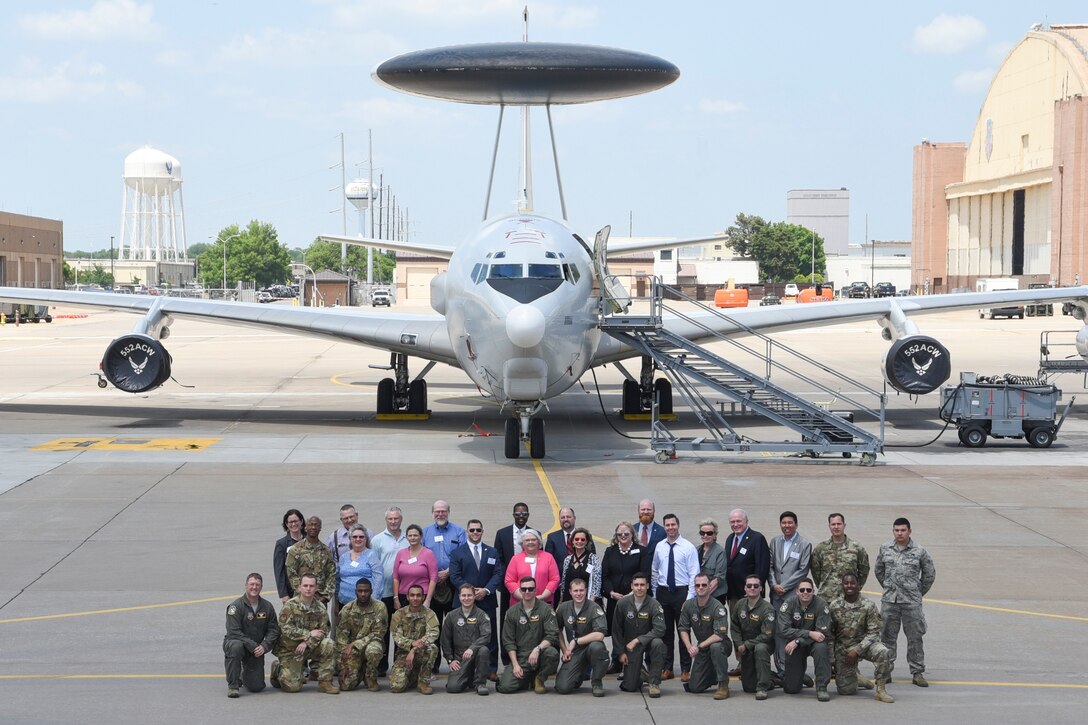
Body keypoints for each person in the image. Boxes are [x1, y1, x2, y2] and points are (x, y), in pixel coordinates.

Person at [875, 517, 936, 688]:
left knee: (915, 637)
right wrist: (889, 587)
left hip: (911, 602)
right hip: (890, 601)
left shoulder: (919, 551)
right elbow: (879, 570)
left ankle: (917, 672)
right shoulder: (885, 548)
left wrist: (917, 592)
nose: (899, 533)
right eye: (896, 530)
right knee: (886, 637)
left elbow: (929, 574)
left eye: (902, 530)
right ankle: (886, 672)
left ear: (909, 531)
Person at [449, 518, 503, 678]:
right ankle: (464, 666)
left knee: (490, 635)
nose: (475, 533)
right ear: (467, 532)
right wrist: (471, 593)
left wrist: (486, 590)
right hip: (465, 601)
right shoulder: (457, 553)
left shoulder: (492, 552)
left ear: (482, 532)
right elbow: (455, 576)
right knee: (463, 634)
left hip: (487, 599)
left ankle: (491, 669)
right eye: (472, 530)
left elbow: (498, 573)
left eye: (478, 530)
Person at [830, 573, 894, 703]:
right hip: (844, 649)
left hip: (865, 645)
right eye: (846, 583)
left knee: (882, 651)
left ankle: (881, 690)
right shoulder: (834, 606)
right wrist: (832, 658)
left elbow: (874, 632)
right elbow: (830, 635)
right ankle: (857, 677)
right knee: (846, 691)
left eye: (852, 583)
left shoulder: (868, 605)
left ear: (858, 586)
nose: (849, 586)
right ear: (841, 585)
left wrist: (857, 650)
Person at [650, 513, 699, 681]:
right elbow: (655, 571)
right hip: (663, 592)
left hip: (682, 593)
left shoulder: (688, 547)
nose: (670, 528)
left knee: (683, 630)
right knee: (665, 633)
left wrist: (690, 597)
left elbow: (694, 574)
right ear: (664, 527)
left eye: (673, 525)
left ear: (678, 526)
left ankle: (686, 669)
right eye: (667, 525)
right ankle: (667, 667)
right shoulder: (660, 546)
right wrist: (656, 592)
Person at [271, 573, 339, 694]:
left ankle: (325, 682)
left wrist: (307, 642)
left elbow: (323, 631)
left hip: (309, 646)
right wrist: (308, 634)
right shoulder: (290, 606)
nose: (308, 588)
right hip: (290, 649)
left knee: (328, 644)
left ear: (316, 588)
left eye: (311, 586)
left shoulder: (320, 608)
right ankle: (278, 669)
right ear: (299, 588)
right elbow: (285, 629)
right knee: (292, 687)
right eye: (305, 585)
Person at [601, 521, 651, 672]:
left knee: (633, 630)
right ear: (616, 536)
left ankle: (635, 661)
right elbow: (604, 575)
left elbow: (645, 573)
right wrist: (611, 592)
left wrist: (632, 593)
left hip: (635, 598)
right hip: (614, 599)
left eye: (626, 534)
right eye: (620, 534)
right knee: (617, 630)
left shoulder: (641, 551)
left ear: (632, 535)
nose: (623, 536)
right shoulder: (610, 551)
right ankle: (617, 660)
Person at [497, 576, 560, 694]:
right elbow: (508, 641)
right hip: (521, 657)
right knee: (505, 687)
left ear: (536, 590)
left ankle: (539, 678)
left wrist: (537, 649)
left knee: (552, 653)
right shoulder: (512, 612)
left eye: (530, 589)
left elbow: (552, 635)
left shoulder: (546, 609)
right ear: (520, 591)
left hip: (540, 654)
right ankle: (528, 677)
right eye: (524, 589)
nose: (527, 592)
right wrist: (515, 665)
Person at [769, 511, 812, 682]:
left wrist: (785, 586)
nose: (787, 525)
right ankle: (780, 669)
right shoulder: (774, 542)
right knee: (778, 632)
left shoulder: (804, 544)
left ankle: (794, 668)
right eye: (784, 523)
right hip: (776, 595)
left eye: (790, 523)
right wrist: (774, 585)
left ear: (796, 524)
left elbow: (803, 570)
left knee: (793, 632)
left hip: (793, 595)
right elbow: (770, 566)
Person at [223, 572, 280, 698]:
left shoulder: (267, 607)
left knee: (256, 687)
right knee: (235, 647)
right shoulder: (235, 607)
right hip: (237, 643)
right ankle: (233, 684)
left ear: (261, 587)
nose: (254, 587)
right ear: (245, 585)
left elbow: (274, 630)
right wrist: (253, 645)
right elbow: (234, 632)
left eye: (257, 585)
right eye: (251, 584)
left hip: (256, 649)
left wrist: (264, 646)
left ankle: (245, 673)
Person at [776, 577, 832, 702]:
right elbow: (783, 630)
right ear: (797, 591)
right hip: (796, 645)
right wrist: (809, 633)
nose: (805, 592)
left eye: (808, 590)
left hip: (812, 644)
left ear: (813, 591)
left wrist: (798, 640)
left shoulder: (821, 605)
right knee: (791, 689)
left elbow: (821, 634)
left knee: (821, 648)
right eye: (802, 590)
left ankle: (822, 687)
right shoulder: (789, 604)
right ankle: (799, 677)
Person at [677, 572, 731, 699]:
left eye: (704, 585)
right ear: (694, 587)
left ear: (709, 587)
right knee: (695, 687)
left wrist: (699, 646)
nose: (700, 588)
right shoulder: (689, 605)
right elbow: (683, 628)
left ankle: (723, 685)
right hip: (702, 647)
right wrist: (690, 646)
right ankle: (712, 675)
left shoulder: (717, 607)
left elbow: (719, 634)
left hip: (721, 644)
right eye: (697, 585)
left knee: (715, 648)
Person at [612, 572, 666, 698]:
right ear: (631, 586)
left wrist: (638, 640)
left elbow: (660, 629)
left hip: (648, 642)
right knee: (630, 687)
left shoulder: (654, 605)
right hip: (631, 647)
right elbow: (616, 631)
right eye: (636, 585)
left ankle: (654, 683)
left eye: (642, 584)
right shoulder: (622, 604)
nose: (639, 588)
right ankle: (640, 673)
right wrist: (620, 653)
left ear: (647, 586)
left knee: (658, 644)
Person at [554, 577, 609, 696]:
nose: (578, 594)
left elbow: (600, 635)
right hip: (575, 652)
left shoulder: (594, 608)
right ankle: (579, 674)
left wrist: (576, 641)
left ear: (586, 590)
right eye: (575, 591)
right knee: (562, 687)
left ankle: (597, 682)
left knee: (597, 648)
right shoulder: (564, 607)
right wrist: (564, 650)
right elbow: (557, 629)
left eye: (581, 590)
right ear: (570, 592)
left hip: (591, 647)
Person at [370, 506, 408, 676]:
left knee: (401, 629)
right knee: (383, 629)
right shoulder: (377, 540)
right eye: (390, 519)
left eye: (396, 519)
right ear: (386, 520)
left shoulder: (409, 538)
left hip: (404, 592)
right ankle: (381, 665)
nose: (393, 522)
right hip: (383, 592)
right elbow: (374, 566)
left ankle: (399, 663)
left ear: (401, 519)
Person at [335, 578, 388, 692]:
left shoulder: (380, 607)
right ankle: (360, 672)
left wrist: (355, 643)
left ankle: (370, 677)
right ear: (355, 591)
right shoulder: (347, 609)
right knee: (346, 686)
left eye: (366, 591)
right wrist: (343, 667)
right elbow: (341, 639)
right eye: (360, 591)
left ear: (371, 591)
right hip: (353, 651)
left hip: (372, 644)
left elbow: (378, 633)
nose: (363, 594)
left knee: (373, 650)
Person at [494, 502, 532, 662]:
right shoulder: (502, 534)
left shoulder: (533, 533)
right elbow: (499, 560)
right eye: (518, 514)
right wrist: (508, 580)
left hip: (529, 587)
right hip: (509, 586)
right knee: (506, 621)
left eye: (524, 514)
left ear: (528, 515)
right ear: (513, 515)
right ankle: (506, 657)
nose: (521, 517)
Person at [388, 584, 440, 694]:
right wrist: (411, 644)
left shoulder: (430, 614)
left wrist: (414, 649)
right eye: (412, 595)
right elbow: (396, 636)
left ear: (423, 597)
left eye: (418, 595)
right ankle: (413, 676)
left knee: (432, 648)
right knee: (396, 687)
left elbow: (433, 633)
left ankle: (423, 682)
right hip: (404, 654)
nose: (415, 598)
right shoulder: (399, 614)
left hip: (422, 652)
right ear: (407, 597)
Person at [441, 583, 492, 695]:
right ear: (459, 597)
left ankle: (480, 683)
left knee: (484, 650)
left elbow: (486, 636)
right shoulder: (451, 616)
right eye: (463, 595)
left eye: (469, 595)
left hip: (475, 655)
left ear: (474, 597)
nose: (466, 598)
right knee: (453, 688)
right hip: (460, 658)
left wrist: (472, 648)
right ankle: (467, 678)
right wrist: (450, 660)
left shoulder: (481, 615)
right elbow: (445, 640)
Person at [730, 574, 774, 700]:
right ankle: (772, 678)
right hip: (745, 646)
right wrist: (739, 644)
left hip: (765, 644)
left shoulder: (768, 609)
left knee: (760, 648)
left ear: (761, 589)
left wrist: (747, 645)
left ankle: (762, 687)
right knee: (748, 688)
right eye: (749, 586)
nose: (752, 588)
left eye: (756, 586)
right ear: (745, 588)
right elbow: (734, 627)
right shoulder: (740, 605)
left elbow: (767, 634)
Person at [423, 501, 466, 627]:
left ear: (448, 512)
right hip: (431, 583)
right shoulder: (424, 533)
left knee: (453, 623)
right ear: (432, 512)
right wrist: (435, 574)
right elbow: (422, 557)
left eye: (443, 511)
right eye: (437, 511)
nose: (440, 514)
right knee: (433, 623)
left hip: (453, 582)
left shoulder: (459, 531)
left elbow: (463, 555)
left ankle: (452, 647)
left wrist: (448, 572)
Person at [810, 512, 870, 602]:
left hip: (849, 598)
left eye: (839, 524)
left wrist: (855, 588)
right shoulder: (821, 548)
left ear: (844, 525)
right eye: (833, 524)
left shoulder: (856, 547)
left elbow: (864, 570)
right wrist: (825, 587)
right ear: (829, 526)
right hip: (826, 598)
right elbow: (815, 571)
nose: (836, 527)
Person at [724, 509, 770, 613]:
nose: (735, 524)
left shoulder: (757, 538)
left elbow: (762, 566)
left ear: (746, 521)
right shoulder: (730, 538)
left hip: (750, 592)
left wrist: (756, 588)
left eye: (739, 521)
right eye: (732, 522)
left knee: (751, 625)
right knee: (736, 625)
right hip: (733, 593)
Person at [285, 516, 338, 605]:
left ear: (320, 528)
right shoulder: (295, 550)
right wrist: (304, 592)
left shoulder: (326, 551)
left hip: (320, 601)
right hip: (300, 600)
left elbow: (331, 575)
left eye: (316, 525)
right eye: (311, 525)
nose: (313, 527)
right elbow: (291, 573)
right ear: (305, 527)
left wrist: (324, 597)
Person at [504, 529, 560, 607]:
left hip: (544, 602)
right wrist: (523, 597)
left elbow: (555, 579)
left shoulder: (548, 557)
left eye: (533, 539)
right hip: (520, 603)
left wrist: (543, 596)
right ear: (522, 544)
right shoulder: (515, 559)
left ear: (539, 542)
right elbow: (509, 581)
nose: (530, 542)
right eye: (527, 540)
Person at [392, 524, 438, 609]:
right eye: (410, 535)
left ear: (421, 536)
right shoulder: (401, 553)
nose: (413, 538)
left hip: (422, 597)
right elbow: (395, 577)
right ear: (406, 537)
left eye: (415, 535)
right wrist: (396, 598)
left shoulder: (428, 553)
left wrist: (428, 600)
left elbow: (433, 578)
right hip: (404, 597)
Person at [337, 524, 383, 607]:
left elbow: (378, 580)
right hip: (344, 604)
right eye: (354, 537)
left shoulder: (371, 556)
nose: (358, 539)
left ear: (366, 539)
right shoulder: (343, 557)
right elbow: (337, 579)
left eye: (361, 537)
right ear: (350, 539)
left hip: (365, 604)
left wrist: (373, 601)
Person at [558, 527, 602, 603]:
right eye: (577, 539)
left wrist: (591, 603)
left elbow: (596, 584)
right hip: (568, 600)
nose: (579, 541)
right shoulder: (567, 560)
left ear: (587, 542)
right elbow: (564, 581)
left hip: (587, 600)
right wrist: (561, 600)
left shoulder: (594, 559)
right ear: (572, 541)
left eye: (583, 539)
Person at [273, 509, 305, 603]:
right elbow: (279, 571)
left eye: (296, 521)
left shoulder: (309, 539)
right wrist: (284, 594)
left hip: (309, 590)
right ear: (286, 525)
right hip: (291, 592)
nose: (293, 524)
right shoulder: (281, 544)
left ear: (302, 521)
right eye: (290, 522)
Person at [695, 518, 728, 604]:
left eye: (709, 533)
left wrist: (704, 595)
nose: (705, 535)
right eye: (702, 533)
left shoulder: (720, 551)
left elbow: (719, 578)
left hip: (715, 596)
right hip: (699, 594)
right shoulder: (696, 550)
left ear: (715, 535)